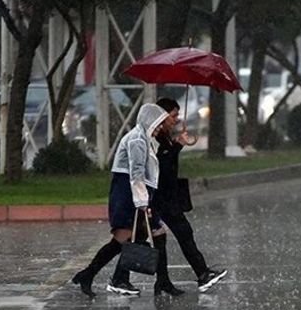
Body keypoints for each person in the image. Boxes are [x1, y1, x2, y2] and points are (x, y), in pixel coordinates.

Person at [71, 103, 176, 297]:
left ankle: (158, 281)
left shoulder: (145, 139)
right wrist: (143, 203)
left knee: (153, 235)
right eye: (158, 123)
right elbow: (136, 174)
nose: (161, 127)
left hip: (138, 195)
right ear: (149, 121)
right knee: (123, 239)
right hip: (129, 195)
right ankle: (98, 275)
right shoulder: (137, 140)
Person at [153, 97, 227, 293]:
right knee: (183, 234)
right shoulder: (155, 137)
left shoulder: (164, 136)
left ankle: (162, 281)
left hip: (166, 196)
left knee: (160, 240)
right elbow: (162, 167)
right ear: (162, 115)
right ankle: (202, 274)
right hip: (161, 197)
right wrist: (176, 146)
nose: (176, 119)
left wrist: (177, 143)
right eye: (173, 115)